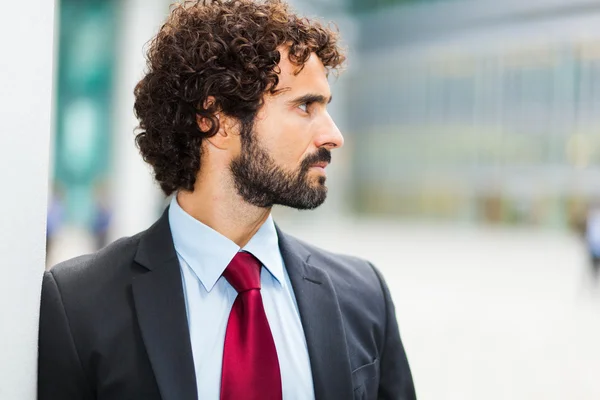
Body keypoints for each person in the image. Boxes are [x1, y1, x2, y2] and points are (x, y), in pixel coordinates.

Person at [37, 1, 416, 399]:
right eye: (306, 106)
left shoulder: (363, 295)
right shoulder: (79, 304)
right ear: (214, 119)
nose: (333, 135)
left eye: (326, 107)